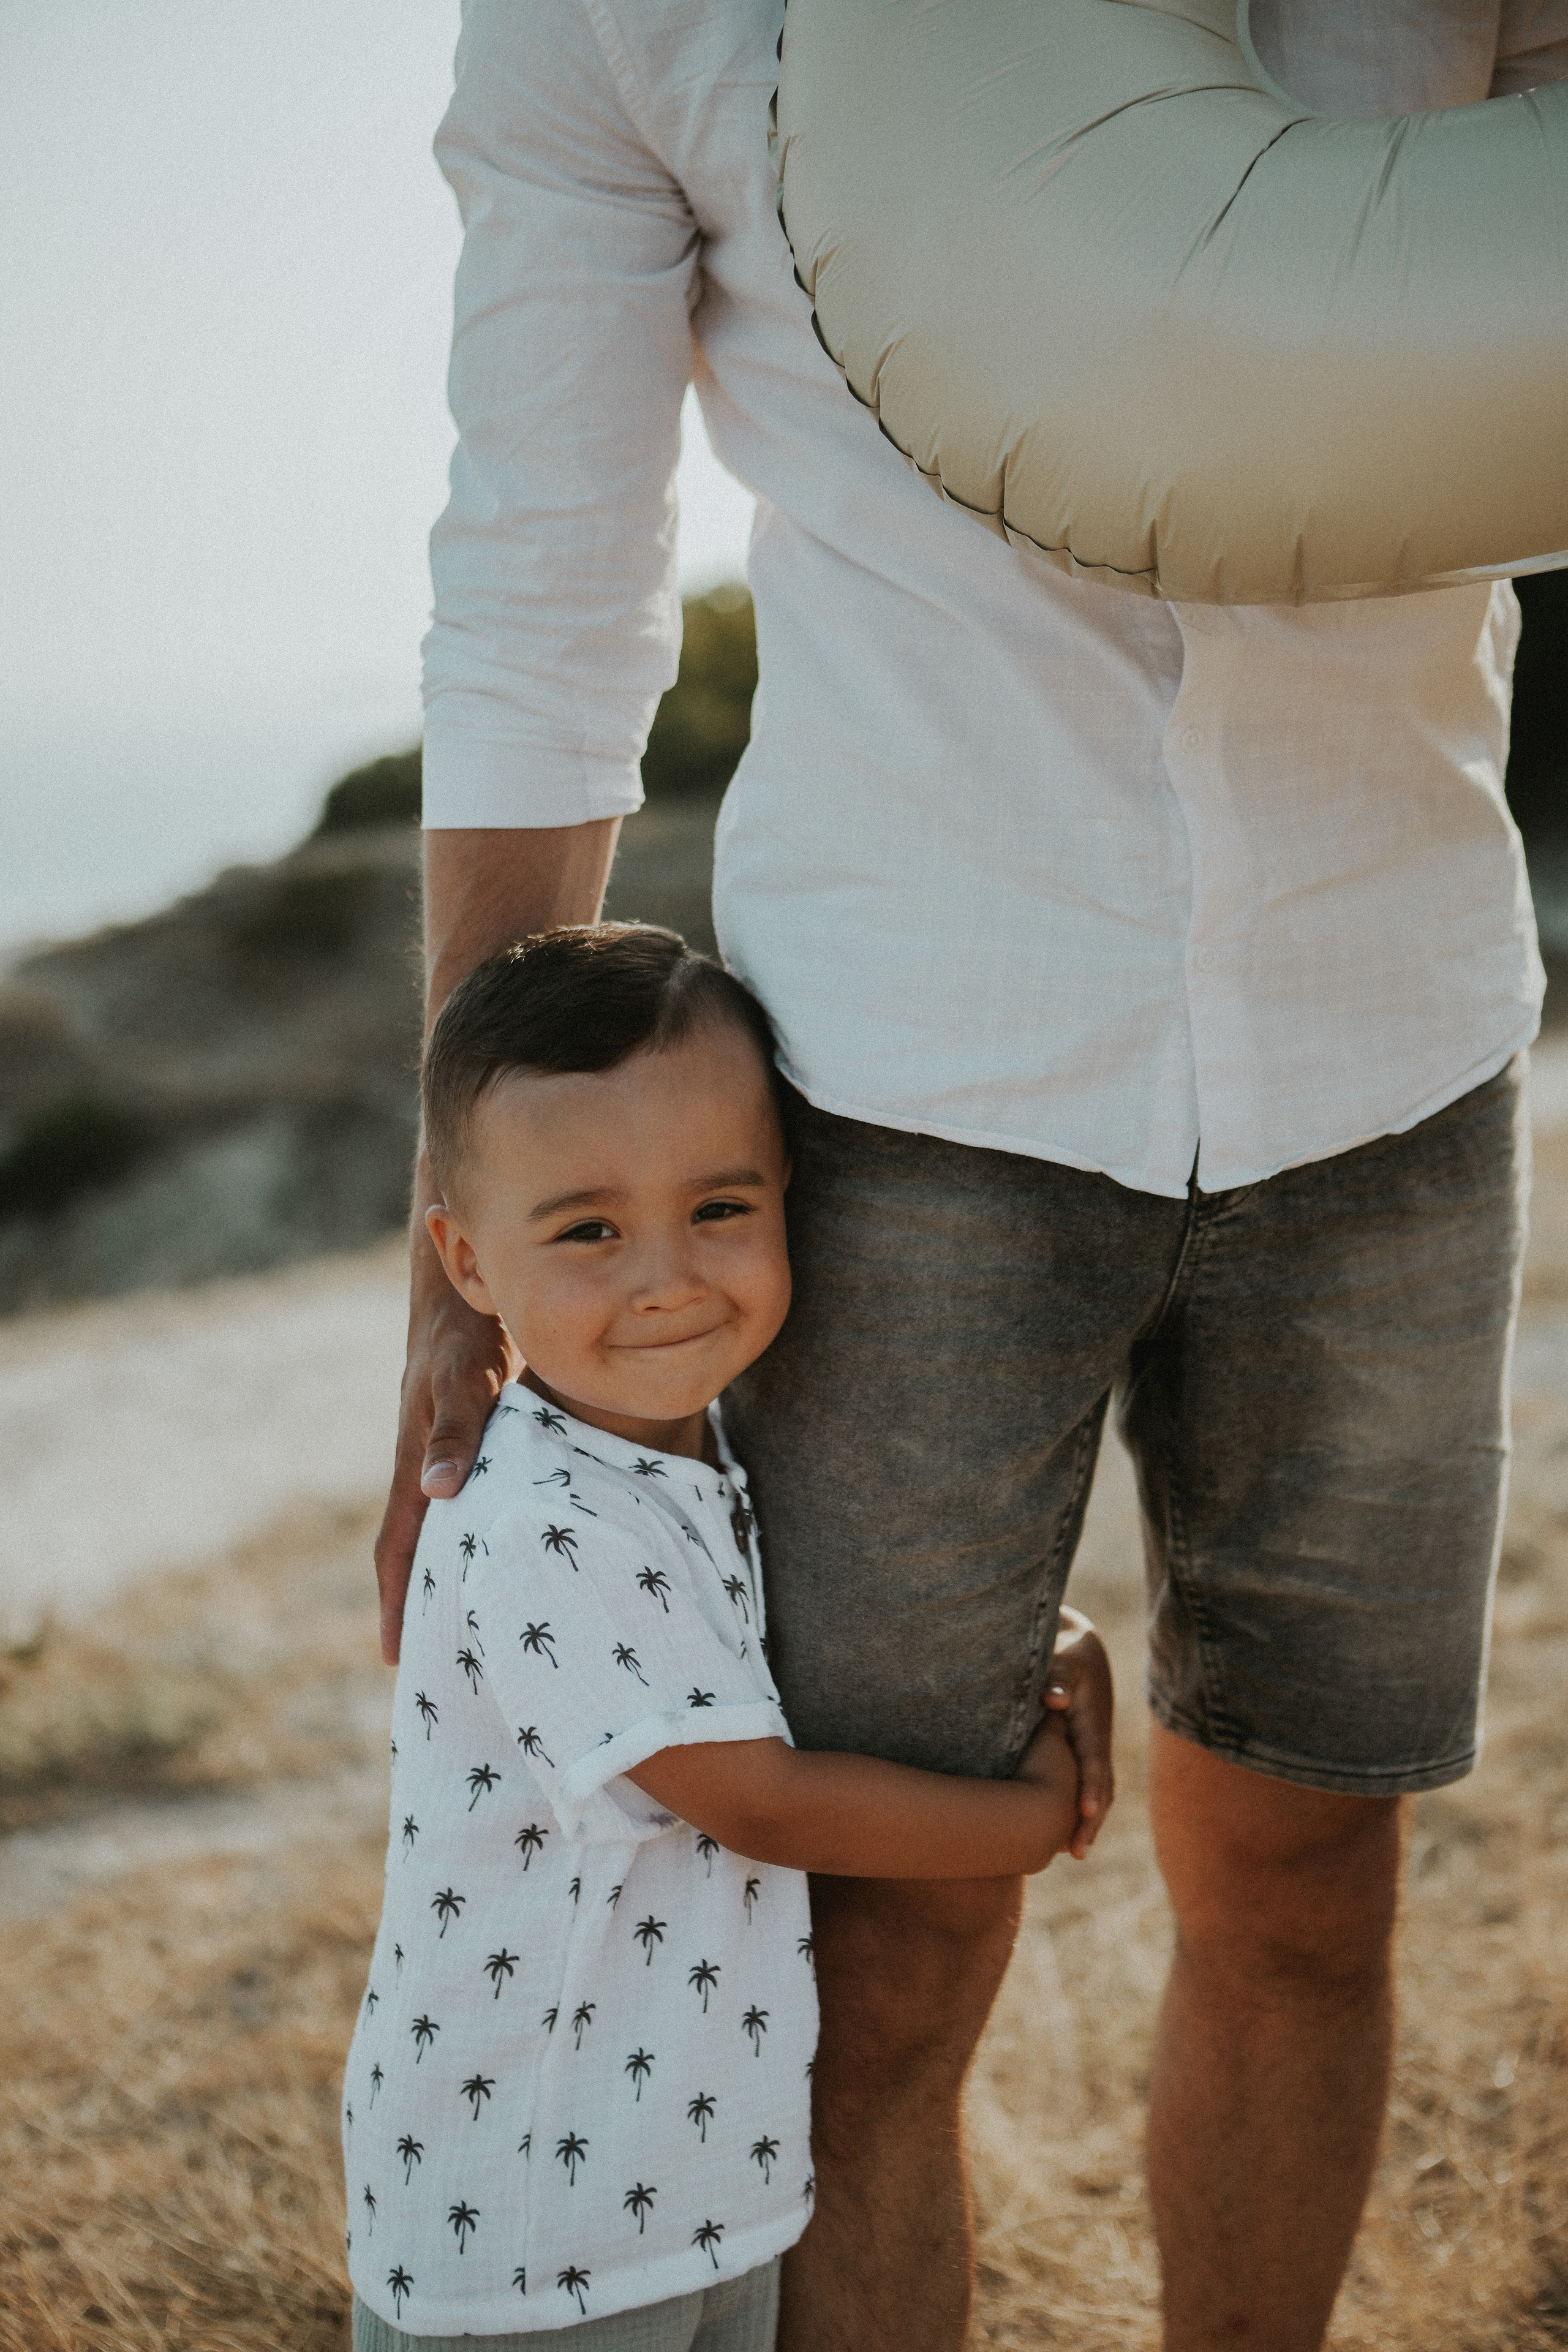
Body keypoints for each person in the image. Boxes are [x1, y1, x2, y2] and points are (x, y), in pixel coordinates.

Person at [375, 6, 1568, 2348]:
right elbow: (545, 588)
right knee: (885, 1950)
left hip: (1392, 1042)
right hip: (907, 1098)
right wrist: (455, 1324)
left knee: (1316, 1878)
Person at [345, 924, 1115, 2351]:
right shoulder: (537, 1522)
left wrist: (1043, 1634)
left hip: (686, 2187)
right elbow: (757, 1802)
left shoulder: (691, 1463)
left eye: (719, 1207)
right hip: (533, 2227)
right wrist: (1033, 1820)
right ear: (464, 1258)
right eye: (586, 1229)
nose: (666, 1279)